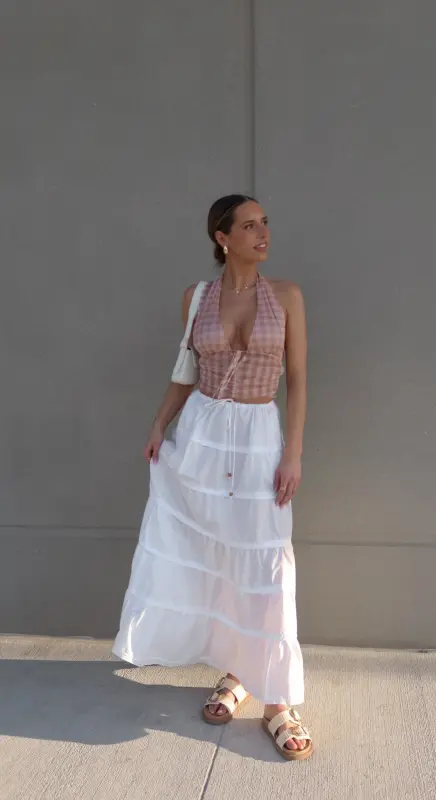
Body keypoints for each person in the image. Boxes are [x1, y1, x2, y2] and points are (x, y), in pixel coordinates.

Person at [113, 194, 313, 760]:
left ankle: (277, 701)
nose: (262, 232)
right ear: (222, 238)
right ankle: (238, 672)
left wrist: (293, 453)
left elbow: (298, 378)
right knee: (218, 557)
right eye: (248, 225)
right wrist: (160, 423)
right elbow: (186, 370)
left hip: (258, 438)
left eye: (265, 222)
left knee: (266, 561)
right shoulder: (196, 298)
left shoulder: (287, 296)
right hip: (202, 438)